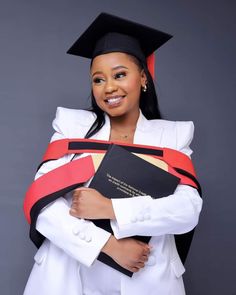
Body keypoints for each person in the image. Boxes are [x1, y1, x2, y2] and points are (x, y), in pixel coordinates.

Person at [23, 12, 203, 295]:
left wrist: (111, 208)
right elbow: (42, 205)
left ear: (143, 77)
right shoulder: (71, 128)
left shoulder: (172, 135)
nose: (109, 87)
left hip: (148, 276)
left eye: (120, 74)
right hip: (70, 275)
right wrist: (108, 246)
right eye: (98, 79)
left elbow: (187, 210)